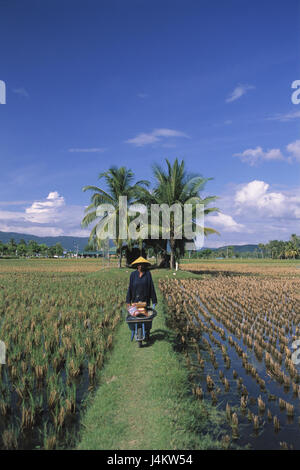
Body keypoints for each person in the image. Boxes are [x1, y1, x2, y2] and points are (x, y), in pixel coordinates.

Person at [126, 256, 157, 341]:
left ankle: (147, 332)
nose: (140, 266)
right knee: (136, 316)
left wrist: (154, 300)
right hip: (135, 300)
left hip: (145, 300)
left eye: (142, 264)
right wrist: (128, 301)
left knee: (145, 315)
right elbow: (130, 288)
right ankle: (136, 331)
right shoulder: (133, 275)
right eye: (139, 264)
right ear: (136, 265)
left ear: (145, 265)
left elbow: (151, 287)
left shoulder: (148, 274)